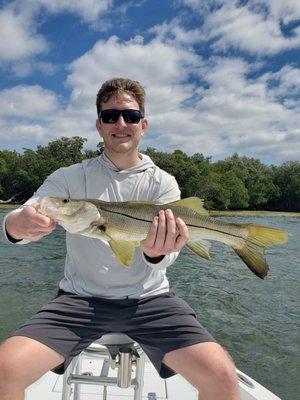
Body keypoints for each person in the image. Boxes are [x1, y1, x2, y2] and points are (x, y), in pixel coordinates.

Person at [0, 78, 238, 400]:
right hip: (78, 301)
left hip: (150, 300)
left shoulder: (163, 184)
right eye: (110, 116)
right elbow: (26, 213)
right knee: (4, 370)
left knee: (222, 377)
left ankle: (242, 238)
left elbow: (167, 256)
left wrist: (156, 254)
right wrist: (17, 224)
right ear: (99, 126)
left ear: (144, 124)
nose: (121, 123)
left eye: (130, 116)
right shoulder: (69, 177)